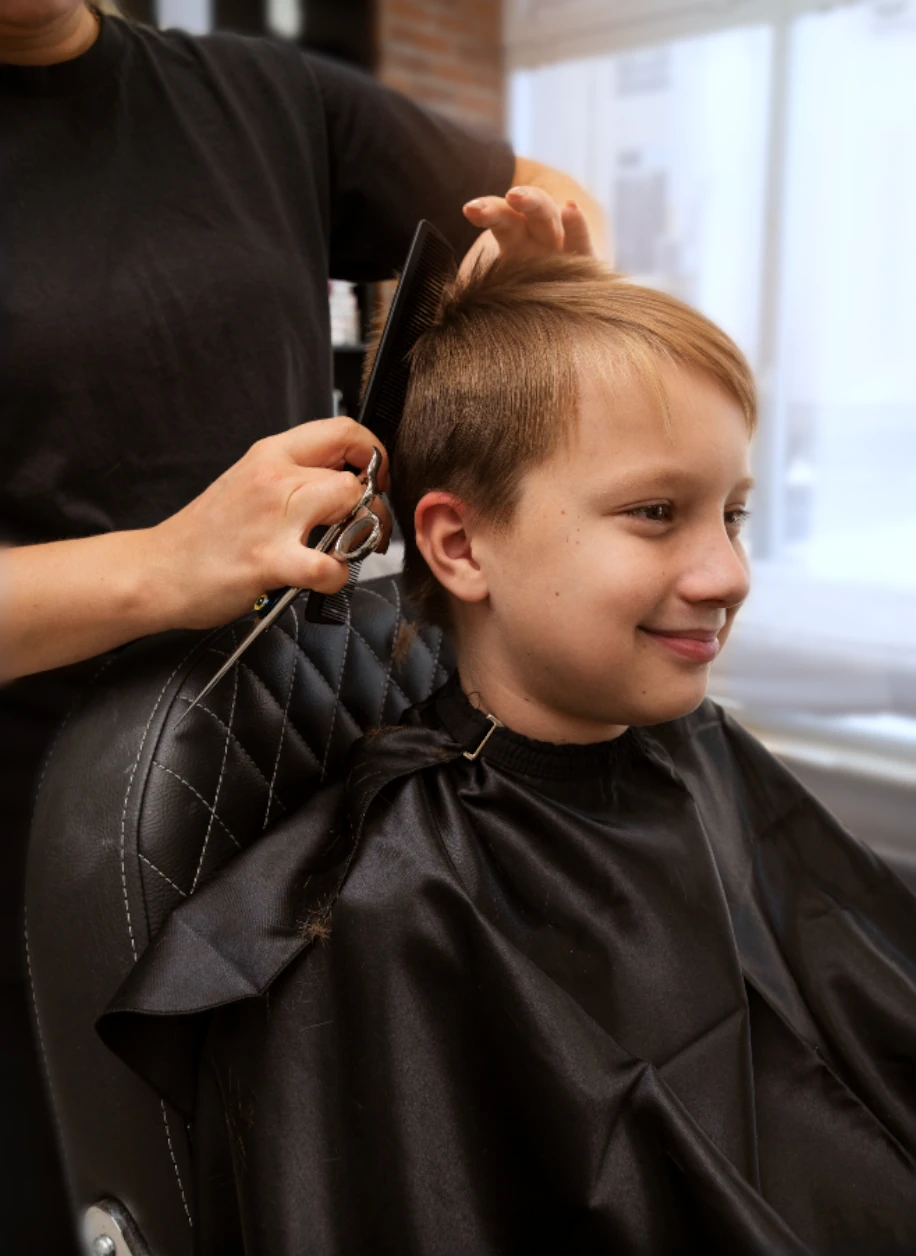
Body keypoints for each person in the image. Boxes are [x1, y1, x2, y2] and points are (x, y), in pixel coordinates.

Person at [99, 255, 916, 1253]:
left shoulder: (692, 747)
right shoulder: (397, 907)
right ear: (460, 546)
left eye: (730, 513)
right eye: (655, 512)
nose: (727, 573)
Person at [0, 0, 603, 1244]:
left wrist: (528, 268)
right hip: (32, 858)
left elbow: (539, 188)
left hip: (285, 787)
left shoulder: (265, 99)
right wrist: (165, 565)